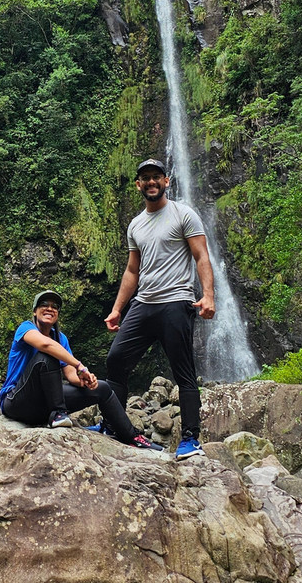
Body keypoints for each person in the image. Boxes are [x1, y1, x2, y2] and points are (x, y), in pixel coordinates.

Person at [101, 158, 216, 460]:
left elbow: (201, 256)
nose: (151, 182)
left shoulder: (183, 214)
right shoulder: (136, 224)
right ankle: (114, 427)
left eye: (156, 177)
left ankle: (190, 438)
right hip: (144, 303)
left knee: (183, 370)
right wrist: (117, 309)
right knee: (115, 360)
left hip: (176, 301)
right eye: (145, 178)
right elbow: (131, 271)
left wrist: (208, 296)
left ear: (166, 181)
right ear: (138, 184)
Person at [0, 289, 161, 450]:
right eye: (44, 304)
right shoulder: (25, 328)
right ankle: (59, 414)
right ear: (35, 312)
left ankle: (130, 436)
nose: (50, 308)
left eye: (54, 306)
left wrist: (84, 380)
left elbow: (71, 375)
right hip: (17, 402)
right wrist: (80, 366)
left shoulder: (60, 339)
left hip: (43, 407)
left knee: (102, 387)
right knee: (47, 356)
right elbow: (46, 345)